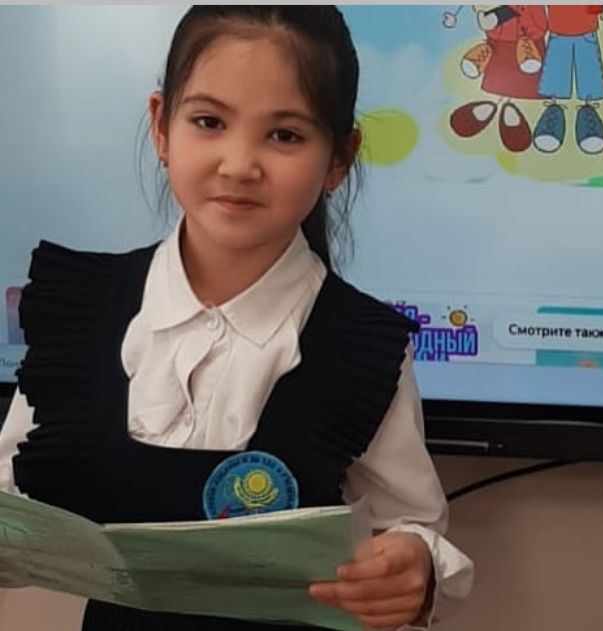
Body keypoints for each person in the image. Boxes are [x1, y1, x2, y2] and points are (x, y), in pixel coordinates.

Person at [0, 6, 472, 630]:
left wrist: (413, 565)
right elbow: (14, 497)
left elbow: (410, 524)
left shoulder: (361, 345)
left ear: (340, 157)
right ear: (161, 126)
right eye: (209, 122)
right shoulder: (82, 311)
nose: (239, 164)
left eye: (285, 135)